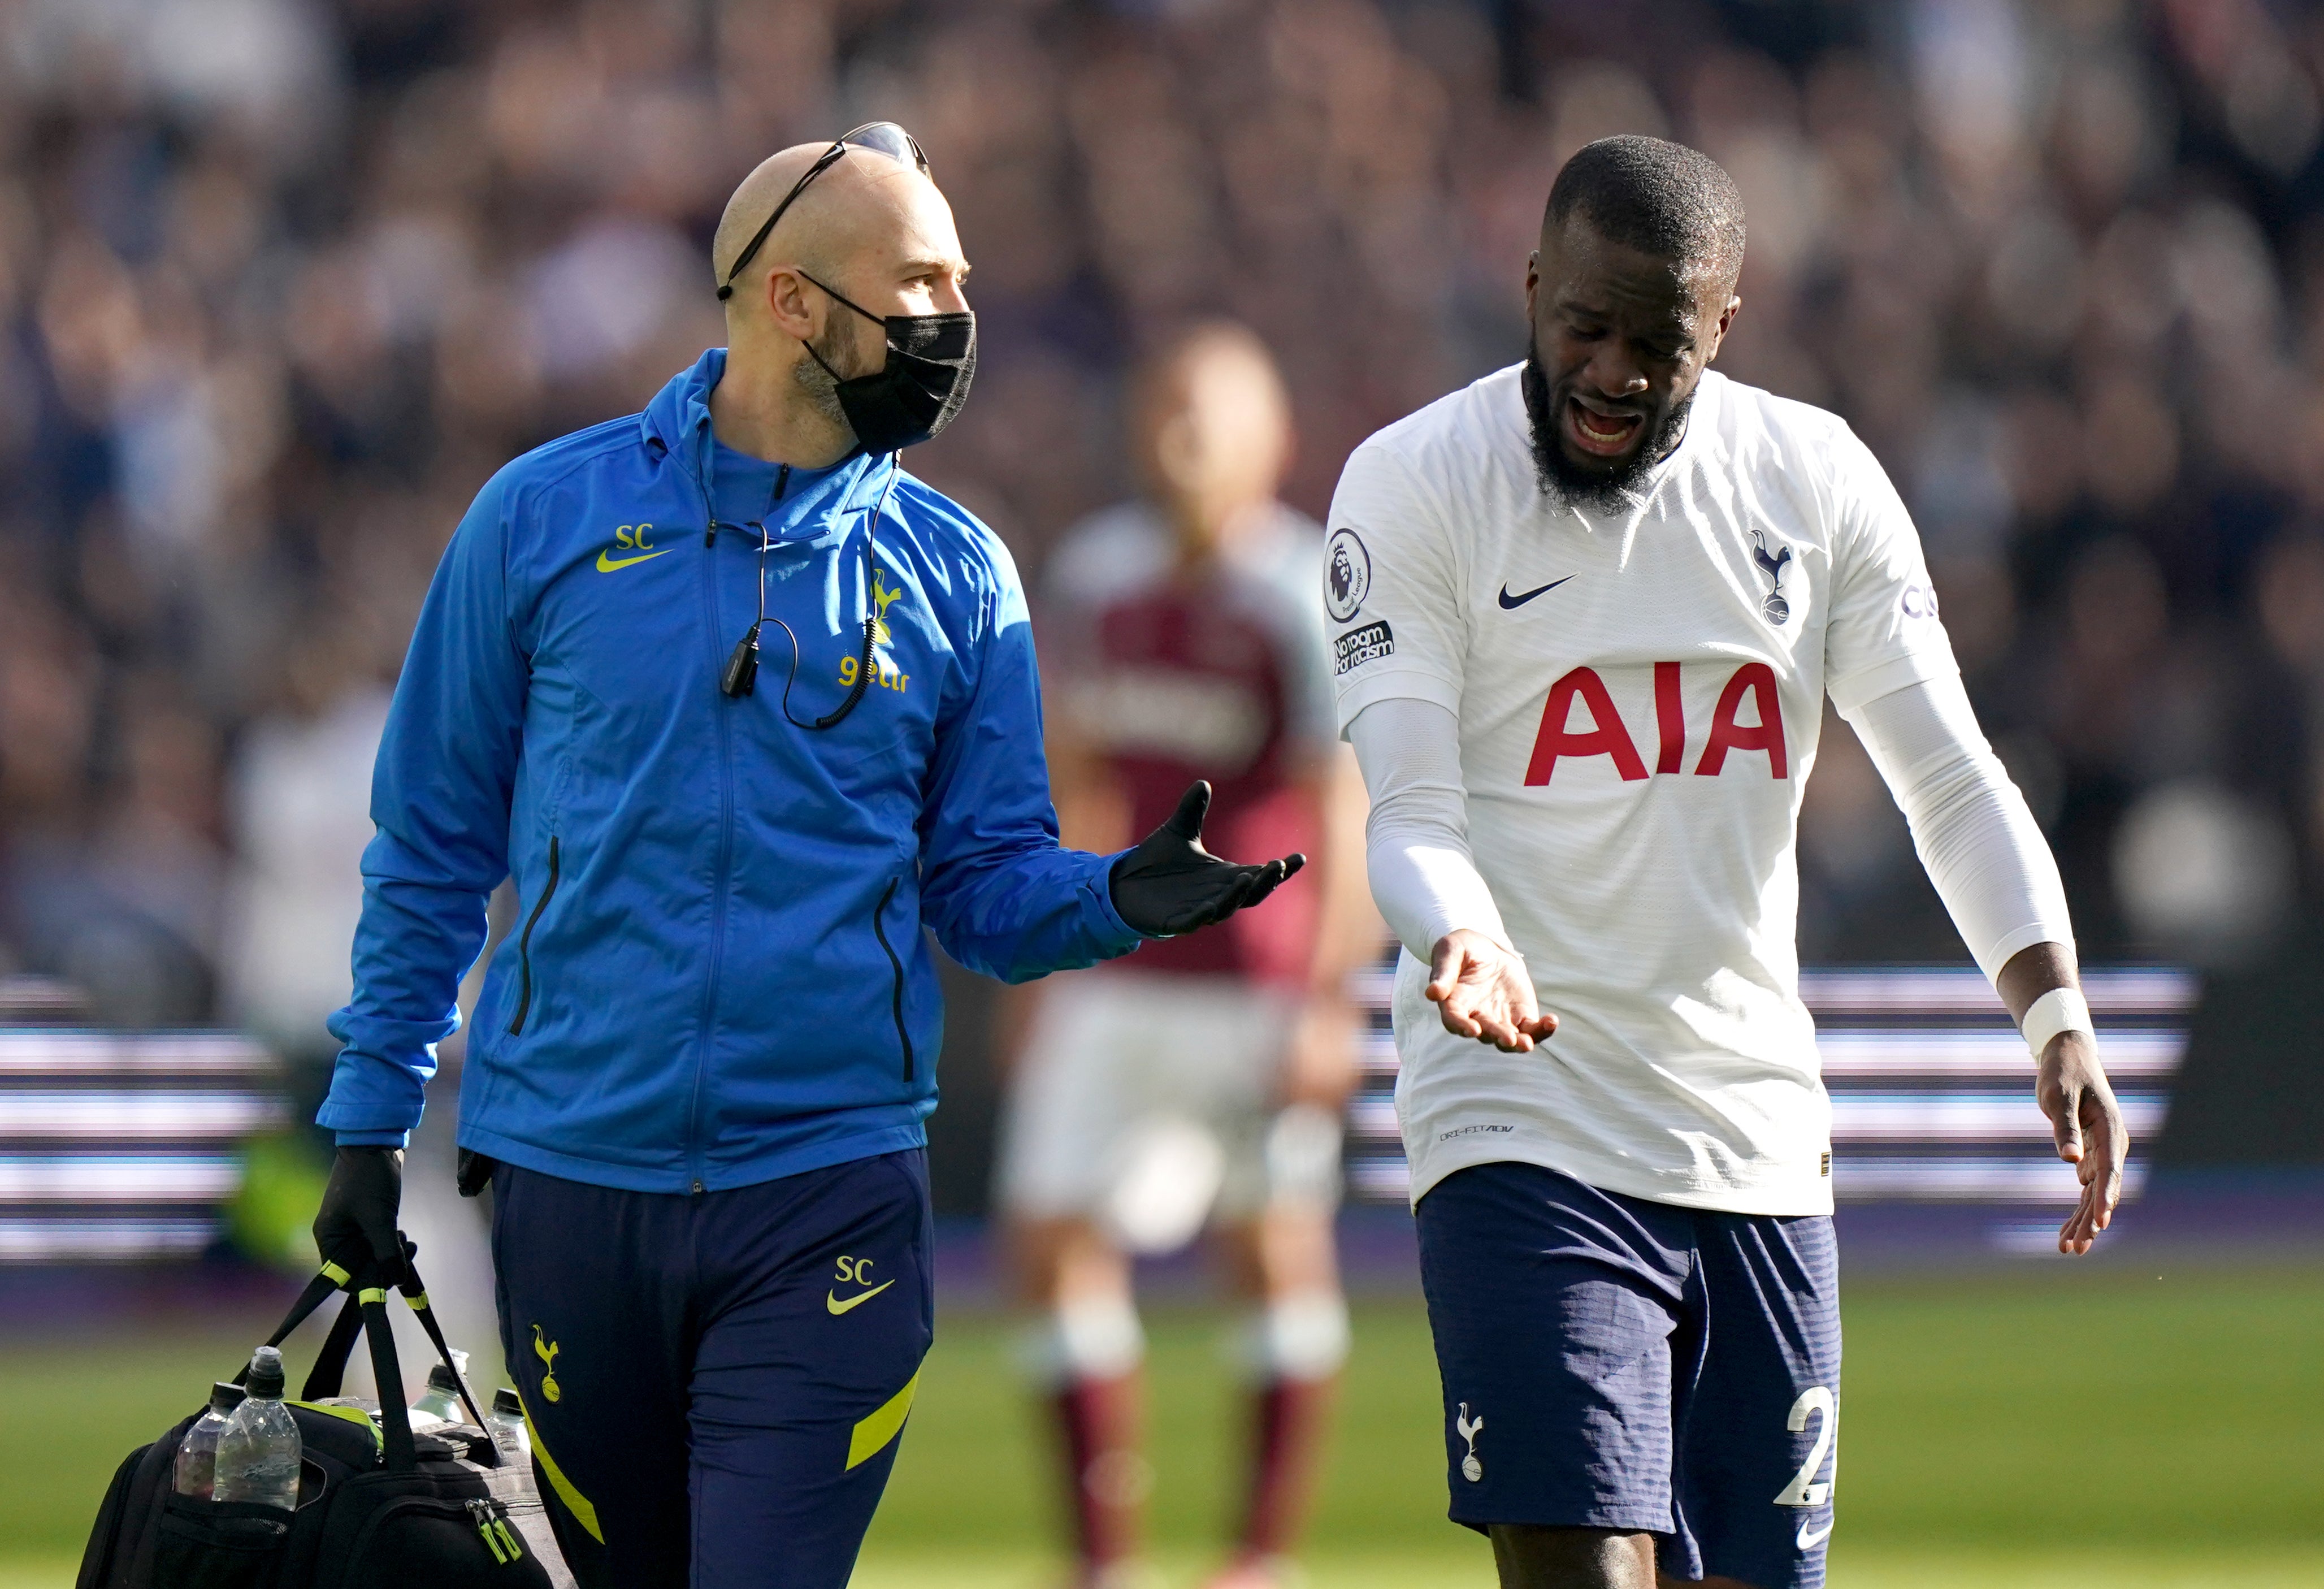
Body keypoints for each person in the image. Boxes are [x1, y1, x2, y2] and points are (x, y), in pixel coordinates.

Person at [304, 125, 1303, 1589]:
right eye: (918, 281)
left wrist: (1108, 899)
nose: (953, 319)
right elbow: (434, 845)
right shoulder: (539, 520)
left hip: (827, 1185)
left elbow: (983, 889)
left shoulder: (963, 569)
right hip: (570, 1184)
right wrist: (371, 1113)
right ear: (790, 303)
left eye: (958, 280)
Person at [1328, 136, 2127, 1589]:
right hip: (1521, 1112)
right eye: (1585, 324)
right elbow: (1410, 810)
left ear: (1724, 327)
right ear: (1528, 287)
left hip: (1753, 1131)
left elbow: (1945, 775)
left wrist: (2053, 1008)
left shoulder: (1810, 480)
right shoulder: (1411, 485)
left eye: (1660, 341)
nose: (1616, 369)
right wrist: (1462, 932)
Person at [996, 323, 1378, 1589]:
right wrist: (1045, 954)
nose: (1179, 438)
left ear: (1267, 439)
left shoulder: (1301, 588)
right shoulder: (1099, 572)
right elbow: (1080, 780)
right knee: (1046, 1235)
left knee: (1266, 1244)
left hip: (1251, 979)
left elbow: (1344, 803)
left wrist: (1328, 997)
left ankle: (1256, 1556)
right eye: (1163, 410)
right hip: (1116, 970)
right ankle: (1103, 1561)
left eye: (1205, 416)